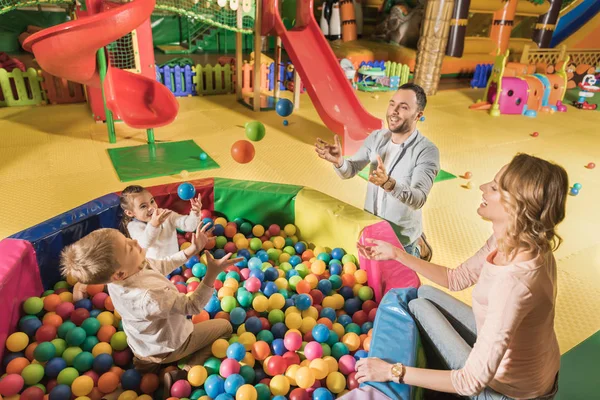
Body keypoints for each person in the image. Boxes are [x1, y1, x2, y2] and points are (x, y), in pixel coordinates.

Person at [352, 154, 566, 400]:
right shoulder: (522, 239)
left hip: (508, 393)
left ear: (516, 208)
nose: (484, 188)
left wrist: (391, 371)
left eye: (495, 188)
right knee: (421, 296)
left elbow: (469, 382)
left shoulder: (514, 284)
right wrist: (396, 254)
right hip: (526, 365)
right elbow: (457, 278)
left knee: (419, 307)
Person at [61, 223, 241, 383]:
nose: (134, 242)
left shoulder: (120, 276)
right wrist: (211, 275)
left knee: (145, 379)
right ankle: (184, 373)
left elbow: (162, 265)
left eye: (127, 239)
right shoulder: (150, 296)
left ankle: (146, 369)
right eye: (128, 247)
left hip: (142, 347)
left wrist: (192, 249)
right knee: (224, 326)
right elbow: (192, 306)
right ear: (120, 273)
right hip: (169, 346)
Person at [315, 83, 439, 260]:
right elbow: (349, 171)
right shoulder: (376, 138)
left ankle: (419, 246)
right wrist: (339, 161)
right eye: (392, 103)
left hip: (402, 238)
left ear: (418, 115)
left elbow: (418, 199)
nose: (394, 111)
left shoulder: (427, 151)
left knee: (401, 285)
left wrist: (389, 184)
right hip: (373, 228)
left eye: (403, 107)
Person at [119, 185, 203, 259]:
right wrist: (154, 225)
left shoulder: (165, 214)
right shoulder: (134, 226)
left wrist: (195, 213)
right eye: (143, 206)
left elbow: (189, 226)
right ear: (130, 213)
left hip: (175, 261)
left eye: (152, 201)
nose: (151, 208)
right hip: (155, 267)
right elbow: (145, 243)